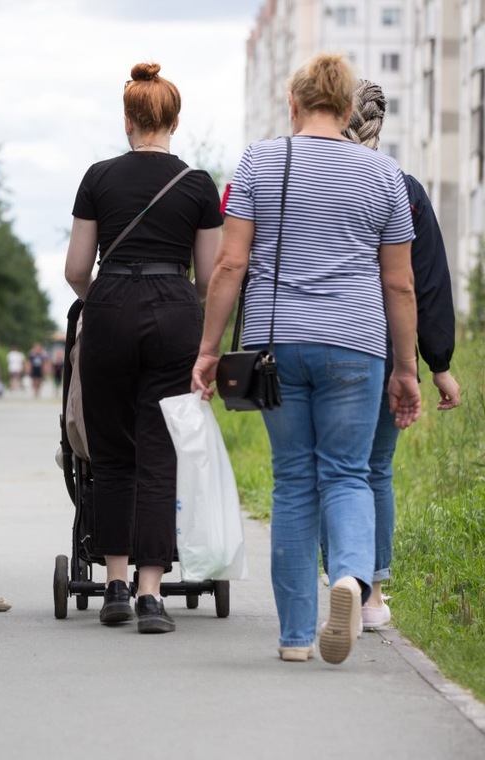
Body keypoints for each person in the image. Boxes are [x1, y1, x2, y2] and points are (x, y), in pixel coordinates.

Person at [190, 54, 423, 665]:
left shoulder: (262, 160)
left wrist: (209, 349)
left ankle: (295, 638)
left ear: (292, 104)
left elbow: (230, 265)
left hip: (278, 345)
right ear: (349, 110)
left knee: (294, 480)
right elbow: (399, 284)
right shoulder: (384, 176)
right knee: (348, 474)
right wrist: (405, 369)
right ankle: (350, 578)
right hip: (358, 344)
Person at [64, 62, 223, 634]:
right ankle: (152, 595)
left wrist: (105, 297)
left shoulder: (98, 177)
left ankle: (113, 584)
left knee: (111, 453)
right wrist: (176, 298)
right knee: (161, 453)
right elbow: (209, 278)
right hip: (174, 310)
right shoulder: (199, 185)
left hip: (108, 307)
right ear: (175, 121)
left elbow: (76, 268)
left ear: (128, 120)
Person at [320, 79, 461, 629]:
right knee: (373, 469)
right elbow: (424, 284)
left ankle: (340, 580)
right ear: (380, 124)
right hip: (384, 348)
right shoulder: (403, 188)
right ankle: (372, 595)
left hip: (320, 339)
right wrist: (439, 363)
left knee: (324, 469)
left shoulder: (309, 178)